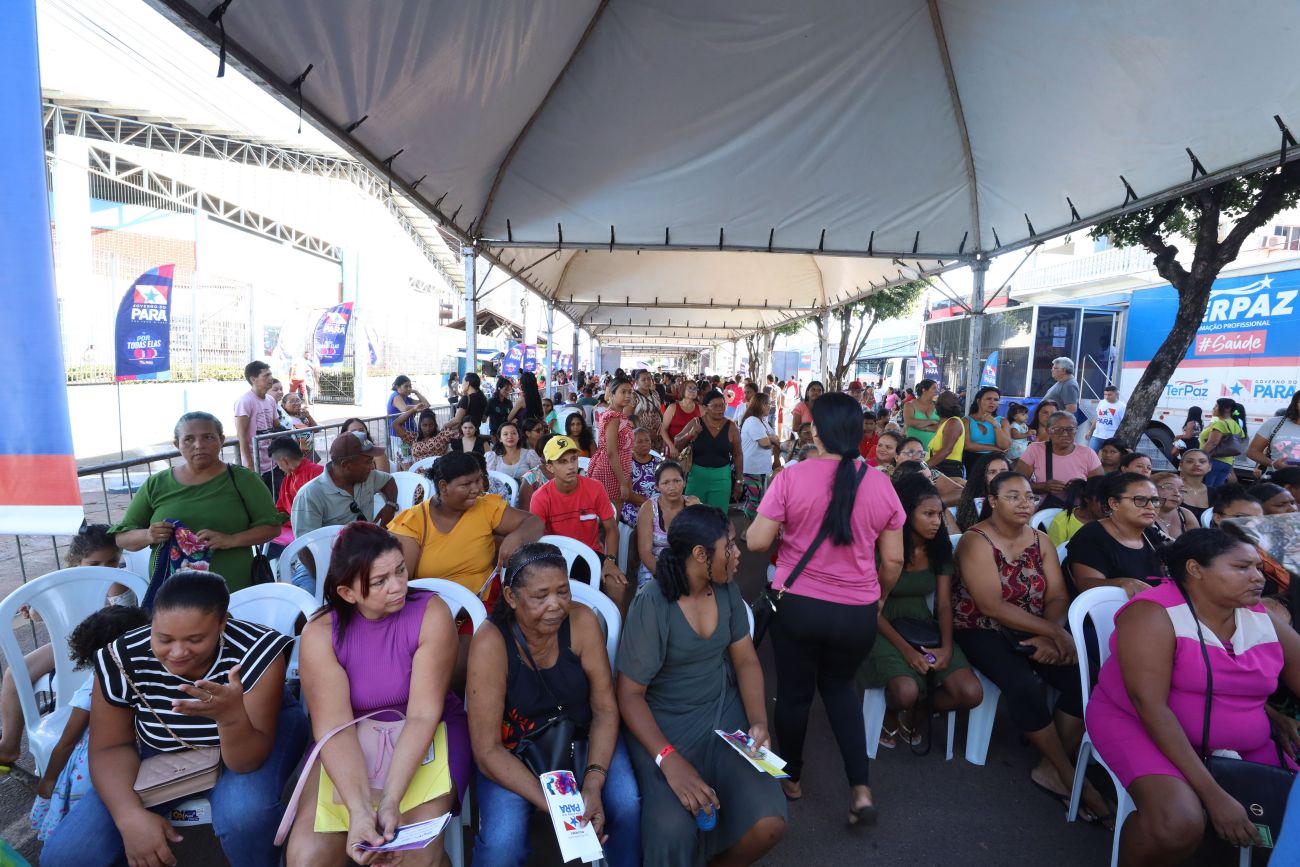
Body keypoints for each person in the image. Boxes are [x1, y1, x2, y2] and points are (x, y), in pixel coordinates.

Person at [41, 571, 308, 867]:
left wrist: (230, 718)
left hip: (251, 738)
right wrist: (129, 816)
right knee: (66, 856)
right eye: (164, 638)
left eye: (196, 639)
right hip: (164, 743)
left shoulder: (258, 651)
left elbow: (246, 762)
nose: (178, 652)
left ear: (222, 623)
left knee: (245, 816)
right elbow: (110, 746)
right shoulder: (121, 658)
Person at [1086, 529, 1300, 864]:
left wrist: (1271, 716)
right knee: (1177, 823)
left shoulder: (1258, 614)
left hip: (1246, 738)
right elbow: (1150, 707)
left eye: (1258, 568)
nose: (1258, 577)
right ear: (1195, 569)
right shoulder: (1153, 614)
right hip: (1138, 725)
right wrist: (1213, 795)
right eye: (1242, 567)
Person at [746, 392, 904, 821]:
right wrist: (879, 597)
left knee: (794, 696)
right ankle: (861, 789)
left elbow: (757, 541)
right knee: (840, 691)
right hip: (857, 610)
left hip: (798, 605)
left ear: (816, 430)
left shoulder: (792, 477)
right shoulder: (881, 483)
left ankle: (792, 779)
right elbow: (893, 561)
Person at [284, 524, 470, 867]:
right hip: (350, 734)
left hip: (428, 729)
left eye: (400, 570)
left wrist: (389, 801)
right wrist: (359, 811)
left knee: (412, 856)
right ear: (347, 592)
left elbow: (422, 715)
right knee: (307, 859)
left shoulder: (431, 613)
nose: (398, 586)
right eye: (380, 581)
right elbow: (334, 727)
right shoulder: (321, 632)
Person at [619, 506, 787, 865]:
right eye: (730, 546)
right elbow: (630, 695)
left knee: (768, 821)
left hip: (724, 717)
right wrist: (668, 760)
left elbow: (746, 661)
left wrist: (758, 721)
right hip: (664, 727)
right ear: (699, 554)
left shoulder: (726, 591)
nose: (738, 553)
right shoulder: (652, 605)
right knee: (671, 830)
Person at [466, 543, 642, 866]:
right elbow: (487, 750)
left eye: (563, 591)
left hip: (583, 739)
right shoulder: (491, 642)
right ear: (511, 597)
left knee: (626, 804)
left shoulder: (582, 622)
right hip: (515, 753)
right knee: (502, 847)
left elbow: (604, 709)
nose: (556, 605)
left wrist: (593, 781)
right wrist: (557, 805)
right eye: (540, 596)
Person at [953, 472, 1109, 822]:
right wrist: (1056, 634)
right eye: (1013, 496)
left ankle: (1051, 766)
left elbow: (1057, 596)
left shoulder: (1041, 540)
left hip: (1035, 628)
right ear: (993, 501)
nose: (1025, 503)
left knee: (1089, 681)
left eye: (1029, 496)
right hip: (981, 628)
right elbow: (991, 605)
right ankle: (1069, 775)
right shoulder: (976, 541)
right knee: (1022, 684)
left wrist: (1048, 634)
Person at [860, 475, 982, 749]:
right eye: (928, 514)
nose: (937, 521)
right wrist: (907, 651)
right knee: (905, 691)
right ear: (905, 512)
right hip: (879, 623)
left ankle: (917, 710)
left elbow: (944, 604)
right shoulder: (881, 546)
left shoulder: (938, 547)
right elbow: (870, 606)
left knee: (970, 693)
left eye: (939, 514)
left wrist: (947, 648)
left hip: (920, 623)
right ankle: (895, 710)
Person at [0, 526, 135, 772]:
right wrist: (34, 609)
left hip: (113, 646)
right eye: (95, 563)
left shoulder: (120, 581)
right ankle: (9, 745)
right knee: (13, 674)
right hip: (70, 643)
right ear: (76, 562)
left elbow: (124, 613)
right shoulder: (61, 582)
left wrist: (113, 578)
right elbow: (40, 615)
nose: (104, 569)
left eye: (111, 562)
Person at [111, 411, 284, 592]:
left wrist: (231, 540)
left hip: (234, 592)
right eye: (188, 439)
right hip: (172, 595)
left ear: (221, 440)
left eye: (208, 437)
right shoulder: (156, 484)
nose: (199, 445)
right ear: (177, 444)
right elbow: (122, 538)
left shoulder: (243, 480)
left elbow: (271, 528)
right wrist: (148, 535)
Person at [28, 605, 150, 843]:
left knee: (99, 825)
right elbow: (68, 740)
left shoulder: (98, 683)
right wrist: (50, 779)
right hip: (127, 761)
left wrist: (49, 779)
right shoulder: (147, 674)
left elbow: (67, 741)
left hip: (102, 765)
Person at [389, 451, 542, 612]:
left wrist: (516, 538)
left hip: (482, 607)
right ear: (443, 487)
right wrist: (449, 610)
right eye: (466, 484)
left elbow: (534, 522)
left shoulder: (485, 506)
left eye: (478, 480)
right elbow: (400, 582)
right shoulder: (413, 522)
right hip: (430, 612)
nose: (477, 489)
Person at [528, 436, 629, 606]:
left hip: (591, 555)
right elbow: (536, 541)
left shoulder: (595, 487)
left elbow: (611, 528)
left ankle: (615, 624)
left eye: (573, 459)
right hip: (555, 559)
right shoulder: (540, 497)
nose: (571, 466)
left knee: (618, 586)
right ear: (550, 467)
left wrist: (610, 561)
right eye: (562, 462)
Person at [1066, 472, 1167, 598]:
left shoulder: (1150, 533)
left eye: (1155, 500)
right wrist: (1120, 583)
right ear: (1114, 503)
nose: (1151, 506)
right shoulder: (1091, 537)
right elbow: (1085, 585)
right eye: (1140, 500)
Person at [1013, 411, 1102, 507]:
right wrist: (1042, 486)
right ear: (1048, 430)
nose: (1065, 434)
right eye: (1057, 429)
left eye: (1070, 429)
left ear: (1076, 430)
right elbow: (1017, 483)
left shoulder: (1088, 454)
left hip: (1078, 512)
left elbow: (1099, 488)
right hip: (1045, 512)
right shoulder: (1035, 449)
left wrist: (1079, 488)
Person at [636, 461, 700, 586]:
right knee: (650, 595)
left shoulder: (692, 505)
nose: (672, 487)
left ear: (684, 482)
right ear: (657, 486)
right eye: (665, 483)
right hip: (655, 566)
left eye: (677, 481)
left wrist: (698, 510)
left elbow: (705, 542)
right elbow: (645, 552)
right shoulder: (648, 508)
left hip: (688, 566)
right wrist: (665, 576)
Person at [679, 389, 744, 510]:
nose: (720, 409)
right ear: (705, 408)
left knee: (718, 515)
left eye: (722, 405)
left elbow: (738, 454)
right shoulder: (696, 422)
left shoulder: (731, 427)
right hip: (697, 476)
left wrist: (739, 481)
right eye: (715, 406)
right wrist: (690, 434)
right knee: (692, 513)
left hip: (722, 477)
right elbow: (677, 444)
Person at [588, 376, 637, 512]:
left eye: (629, 392)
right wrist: (622, 482)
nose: (627, 395)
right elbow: (611, 452)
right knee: (610, 517)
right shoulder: (613, 417)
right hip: (610, 472)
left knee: (610, 515)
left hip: (616, 470)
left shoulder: (617, 415)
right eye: (623, 392)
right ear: (613, 394)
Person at [269, 436, 323, 539]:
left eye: (277, 463)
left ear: (284, 461)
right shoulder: (287, 480)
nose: (279, 467)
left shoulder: (318, 473)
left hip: (315, 533)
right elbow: (280, 510)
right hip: (294, 529)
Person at [234, 360, 280, 474]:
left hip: (272, 462)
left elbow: (276, 425)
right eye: (266, 375)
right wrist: (250, 465)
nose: (271, 378)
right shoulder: (245, 401)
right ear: (253, 379)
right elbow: (241, 436)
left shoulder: (271, 400)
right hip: (254, 465)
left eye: (271, 374)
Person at [739, 393, 778, 520]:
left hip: (760, 469)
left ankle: (753, 528)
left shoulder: (762, 420)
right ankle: (746, 529)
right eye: (767, 404)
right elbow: (765, 443)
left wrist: (771, 439)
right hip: (752, 469)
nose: (770, 406)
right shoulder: (753, 420)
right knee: (753, 502)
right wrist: (771, 439)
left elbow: (775, 439)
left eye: (770, 403)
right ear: (758, 405)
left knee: (759, 502)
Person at [1198, 397, 1246, 490]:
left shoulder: (1220, 423)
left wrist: (1200, 457)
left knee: (1206, 489)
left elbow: (1212, 443)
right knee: (1217, 490)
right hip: (1227, 463)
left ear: (1227, 409)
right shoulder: (1235, 424)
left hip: (1213, 460)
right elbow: (1240, 437)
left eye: (1216, 406)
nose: (1213, 408)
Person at [1248, 392, 1300, 477]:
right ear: (1296, 405)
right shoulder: (1274, 423)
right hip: (1276, 479)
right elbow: (1252, 452)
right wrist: (1273, 464)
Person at [955, 452, 1010, 532]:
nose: (999, 476)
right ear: (983, 476)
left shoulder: (1021, 496)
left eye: (1003, 471)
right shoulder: (975, 502)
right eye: (992, 472)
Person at [1046, 475, 1108, 546]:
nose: (1108, 506)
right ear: (1087, 499)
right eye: (1103, 501)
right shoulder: (1062, 522)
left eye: (1112, 501)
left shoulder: (1113, 519)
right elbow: (1053, 551)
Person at [963, 387, 1010, 477]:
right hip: (972, 461)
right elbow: (968, 446)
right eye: (988, 399)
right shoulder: (966, 420)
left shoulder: (1002, 421)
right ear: (978, 401)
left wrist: (995, 425)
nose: (992, 402)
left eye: (996, 400)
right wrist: (995, 449)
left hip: (995, 462)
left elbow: (1004, 446)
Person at [621, 428, 661, 526]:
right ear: (631, 444)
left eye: (647, 440)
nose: (644, 444)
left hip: (659, 505)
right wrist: (653, 505)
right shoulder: (627, 463)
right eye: (639, 442)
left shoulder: (658, 462)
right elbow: (629, 495)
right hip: (635, 507)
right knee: (646, 522)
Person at [925, 390, 967, 479]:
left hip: (948, 470)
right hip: (940, 468)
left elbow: (946, 450)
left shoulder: (953, 422)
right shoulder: (946, 422)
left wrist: (924, 467)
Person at [1152, 472, 1199, 541]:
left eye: (1181, 490)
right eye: (1169, 488)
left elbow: (1199, 543)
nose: (1177, 494)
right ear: (1151, 489)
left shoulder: (1185, 514)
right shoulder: (1144, 514)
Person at [387, 375, 431, 445]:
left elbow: (427, 404)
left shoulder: (406, 398)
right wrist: (416, 407)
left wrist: (416, 392)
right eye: (406, 386)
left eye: (410, 386)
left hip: (410, 432)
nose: (409, 389)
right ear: (397, 387)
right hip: (399, 434)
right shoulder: (396, 396)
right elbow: (404, 408)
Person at [632, 369, 666, 452]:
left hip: (658, 436)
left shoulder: (655, 393)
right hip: (642, 438)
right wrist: (644, 433)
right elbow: (629, 418)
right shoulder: (633, 396)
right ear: (637, 382)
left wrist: (663, 429)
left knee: (657, 457)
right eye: (643, 380)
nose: (647, 381)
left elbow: (659, 411)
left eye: (649, 379)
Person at [903, 379, 941, 452]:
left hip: (933, 448)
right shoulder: (909, 405)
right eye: (934, 388)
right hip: (913, 448)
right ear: (924, 390)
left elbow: (941, 426)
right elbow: (909, 422)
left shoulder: (938, 406)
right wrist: (932, 421)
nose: (937, 390)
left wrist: (925, 428)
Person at [1086, 384, 1126, 451]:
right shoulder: (1102, 402)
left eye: (1109, 395)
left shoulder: (1122, 407)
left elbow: (1123, 423)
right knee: (1090, 454)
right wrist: (1090, 431)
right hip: (1097, 435)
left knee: (1108, 456)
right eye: (1105, 394)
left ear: (1116, 394)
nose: (1107, 397)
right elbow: (1097, 418)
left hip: (1111, 437)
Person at [1176, 448, 1211, 517]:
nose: (1197, 464)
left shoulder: (1215, 493)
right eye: (1190, 461)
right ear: (1181, 465)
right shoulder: (1171, 488)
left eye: (1202, 461)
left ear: (1209, 467)